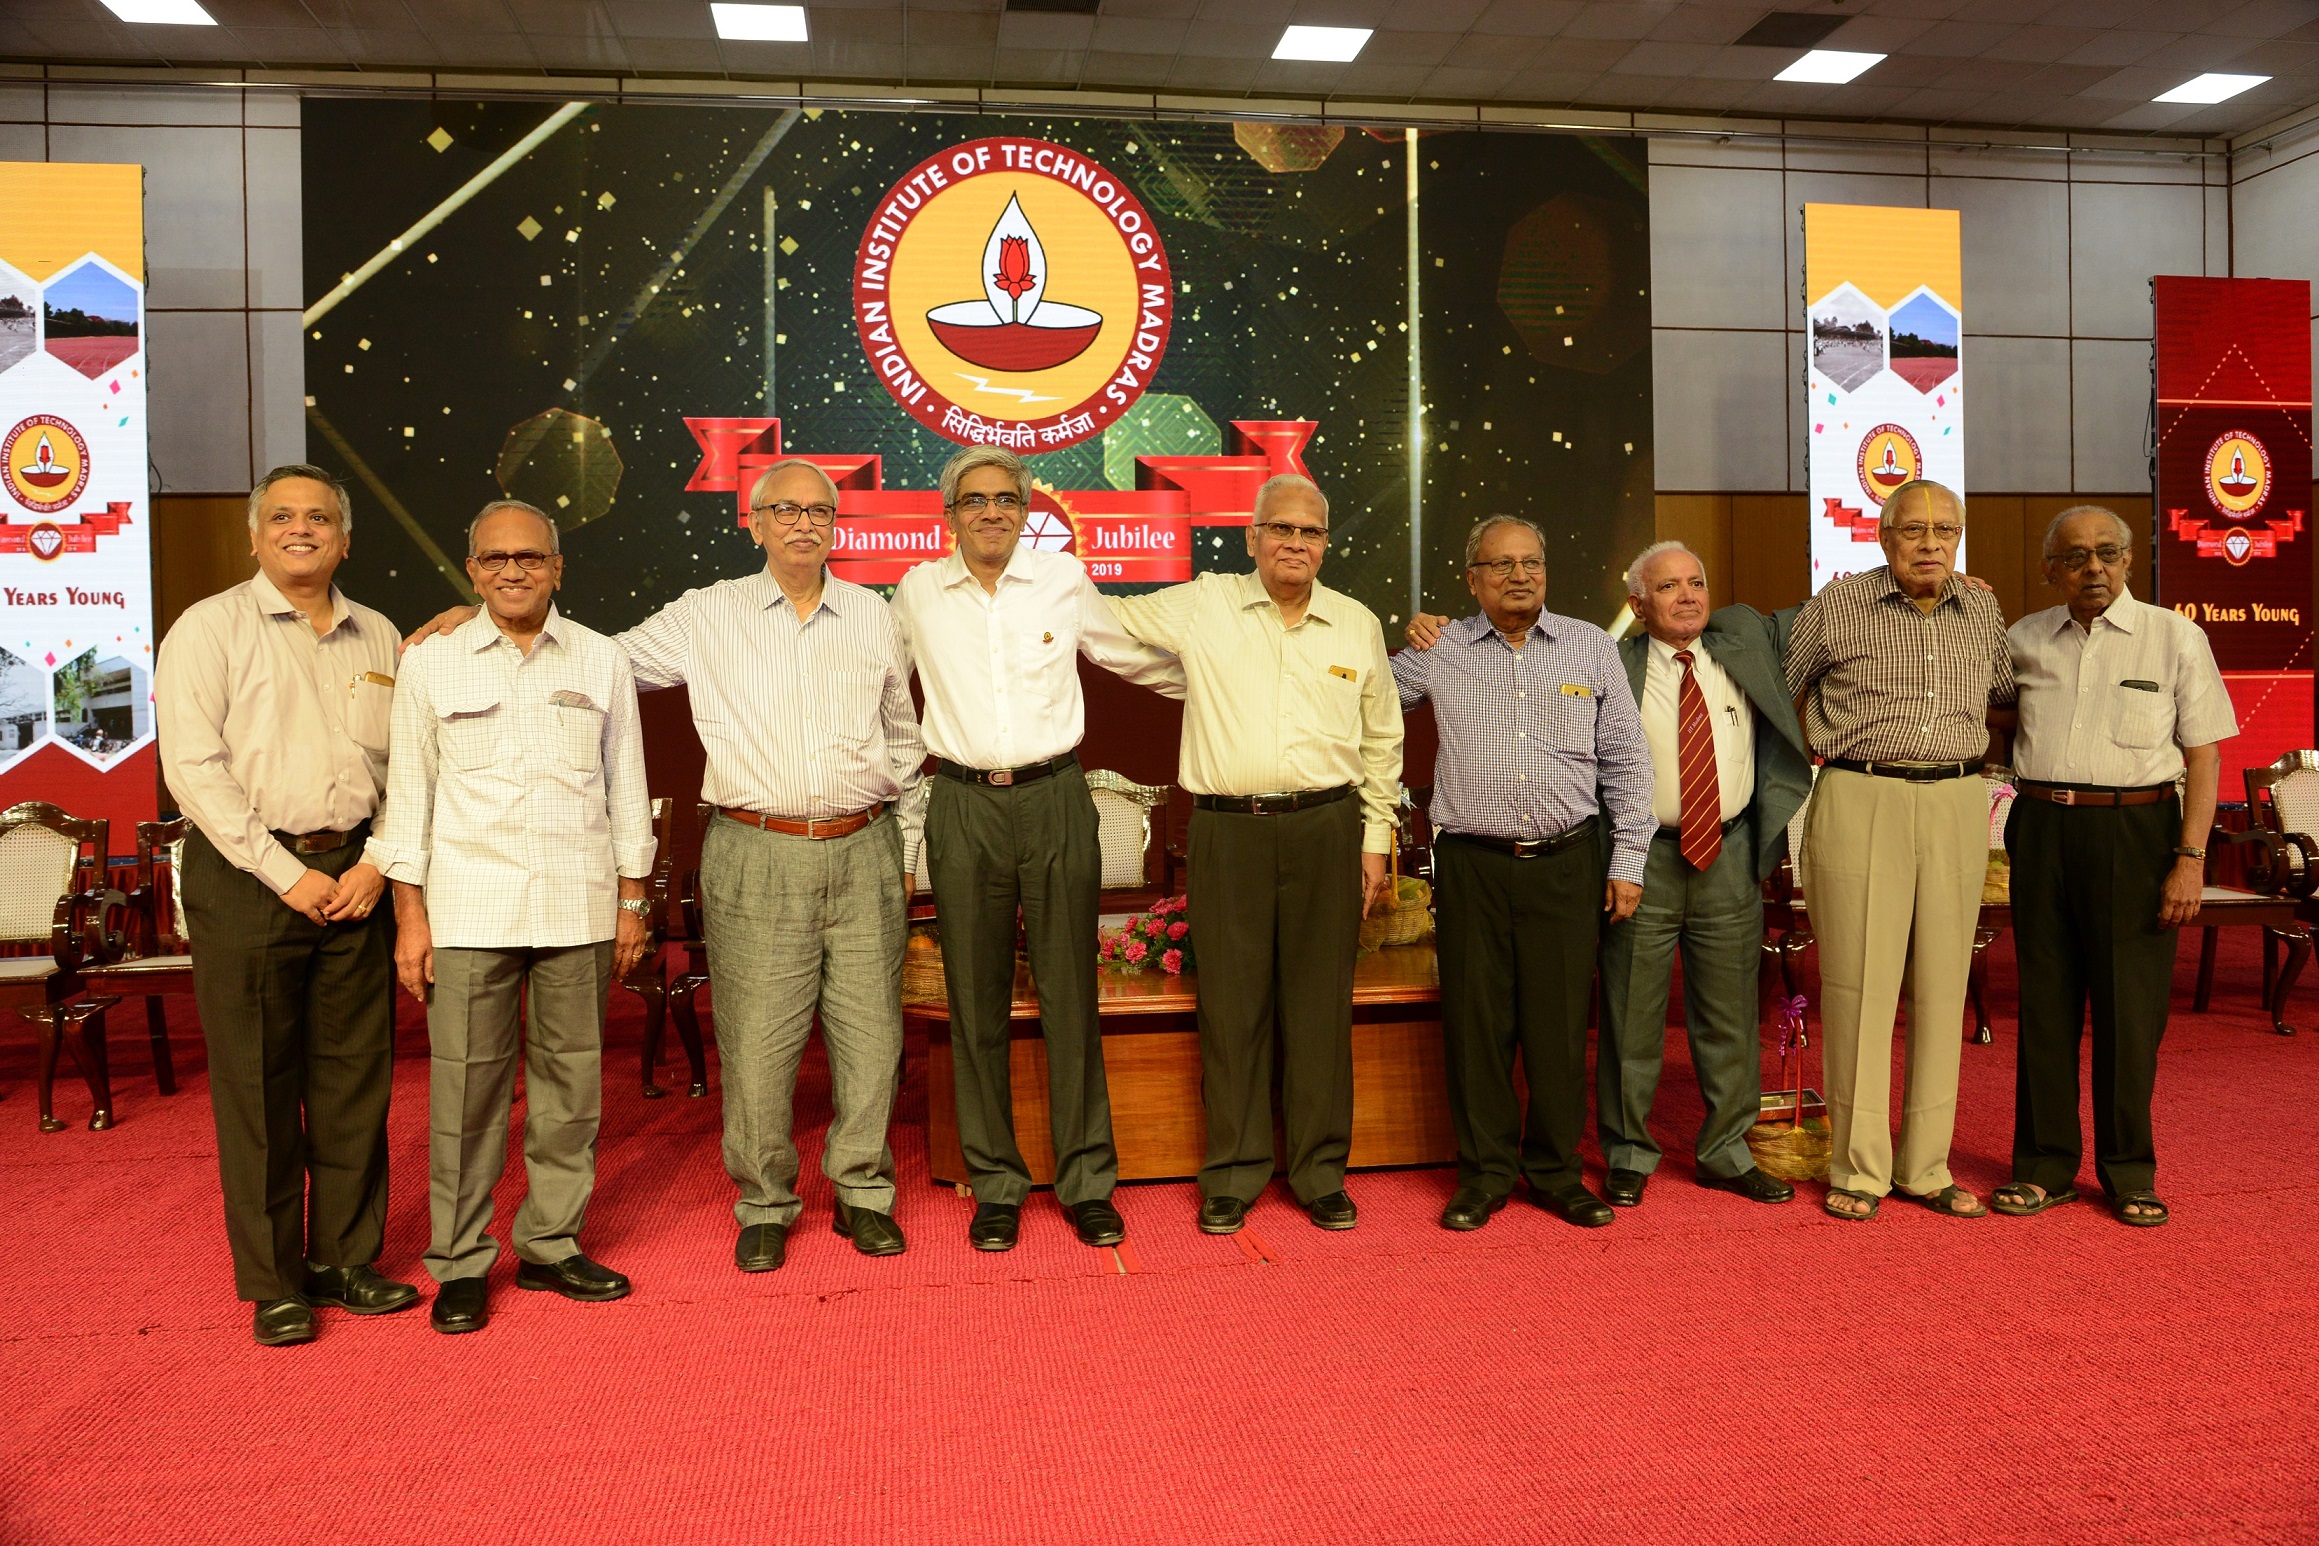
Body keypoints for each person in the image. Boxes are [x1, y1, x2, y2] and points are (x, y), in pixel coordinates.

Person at [408, 458, 925, 1271]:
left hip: (865, 847)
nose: (801, 523)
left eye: (818, 511)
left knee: (870, 1035)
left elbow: (904, 735)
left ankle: (862, 1190)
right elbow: (588, 658)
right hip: (754, 848)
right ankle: (764, 1201)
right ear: (751, 524)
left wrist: (908, 840)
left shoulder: (874, 616)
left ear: (837, 525)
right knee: (755, 1041)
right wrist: (484, 618)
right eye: (782, 510)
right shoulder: (704, 615)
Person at [893, 446, 1184, 1254]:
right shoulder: (916, 592)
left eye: (1006, 499)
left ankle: (1087, 1180)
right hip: (959, 803)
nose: (991, 511)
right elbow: (879, 685)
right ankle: (996, 1184)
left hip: (1057, 797)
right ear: (948, 513)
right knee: (975, 1004)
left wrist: (1233, 680)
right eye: (974, 499)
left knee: (1069, 996)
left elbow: (1132, 658)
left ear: (1026, 510)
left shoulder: (1062, 581)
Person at [154, 463, 417, 1346]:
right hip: (250, 881)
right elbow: (192, 769)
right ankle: (276, 1283)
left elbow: (409, 771)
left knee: (353, 1081)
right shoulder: (208, 629)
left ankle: (345, 1259)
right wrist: (285, 874)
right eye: (282, 516)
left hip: (356, 880)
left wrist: (377, 865)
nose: (299, 529)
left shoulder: (378, 634)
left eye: (318, 517)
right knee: (259, 1090)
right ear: (254, 535)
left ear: (345, 538)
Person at [381, 499, 657, 1335]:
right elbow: (409, 797)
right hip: (470, 910)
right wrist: (410, 918)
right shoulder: (430, 664)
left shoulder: (603, 660)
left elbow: (627, 786)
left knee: (572, 1090)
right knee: (466, 1095)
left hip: (577, 904)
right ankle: (462, 1261)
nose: (513, 571)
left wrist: (632, 897)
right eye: (495, 558)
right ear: (471, 570)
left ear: (557, 567)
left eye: (530, 558)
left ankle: (549, 1244)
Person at [1107, 474, 1403, 1233]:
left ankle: (1318, 1173)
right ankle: (1232, 1174)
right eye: (1280, 530)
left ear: (1326, 544)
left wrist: (1375, 838)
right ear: (1251, 538)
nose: (1294, 544)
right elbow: (1100, 620)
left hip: (1327, 830)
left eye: (1309, 533)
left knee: (1316, 1010)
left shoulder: (1356, 623)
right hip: (1226, 832)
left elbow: (1381, 740)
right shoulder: (1203, 603)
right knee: (1231, 1011)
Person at [1394, 516, 1652, 1230]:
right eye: (1500, 565)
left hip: (1569, 863)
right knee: (1475, 1026)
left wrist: (1628, 860)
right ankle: (1483, 1175)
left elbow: (1628, 763)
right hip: (1472, 864)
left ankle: (1554, 1172)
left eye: (1531, 563)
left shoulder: (1590, 647)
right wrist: (1398, 635)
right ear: (1471, 578)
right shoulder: (1438, 648)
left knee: (1559, 1027)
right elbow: (1359, 704)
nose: (1519, 576)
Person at [1997, 506, 2235, 1228]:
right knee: (2045, 1007)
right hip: (2039, 828)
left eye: (2106, 553)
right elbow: (1987, 724)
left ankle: (2128, 1171)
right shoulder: (2022, 641)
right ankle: (2043, 1166)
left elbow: (2202, 755)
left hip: (2137, 832)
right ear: (2049, 570)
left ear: (2130, 562)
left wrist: (2189, 860)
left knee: (2130, 1015)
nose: (2091, 567)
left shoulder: (2173, 638)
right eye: (2073, 557)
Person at [1786, 479, 2014, 1222]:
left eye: (1943, 531)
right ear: (1882, 538)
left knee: (1945, 987)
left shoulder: (1981, 609)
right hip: (1861, 795)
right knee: (1857, 989)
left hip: (1955, 799)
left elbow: (2009, 687)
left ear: (1958, 539)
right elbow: (1770, 688)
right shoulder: (1837, 607)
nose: (1928, 544)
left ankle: (1925, 1166)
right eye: (1912, 531)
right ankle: (1857, 1168)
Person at [1599, 542, 1804, 1208]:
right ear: (1637, 604)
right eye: (1667, 587)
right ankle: (1629, 1153)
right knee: (1631, 1017)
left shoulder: (1740, 647)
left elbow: (1830, 608)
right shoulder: (1612, 663)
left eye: (1696, 582)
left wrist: (1936, 572)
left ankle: (1724, 1151)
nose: (1687, 595)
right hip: (1641, 861)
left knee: (1728, 1018)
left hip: (1727, 854)